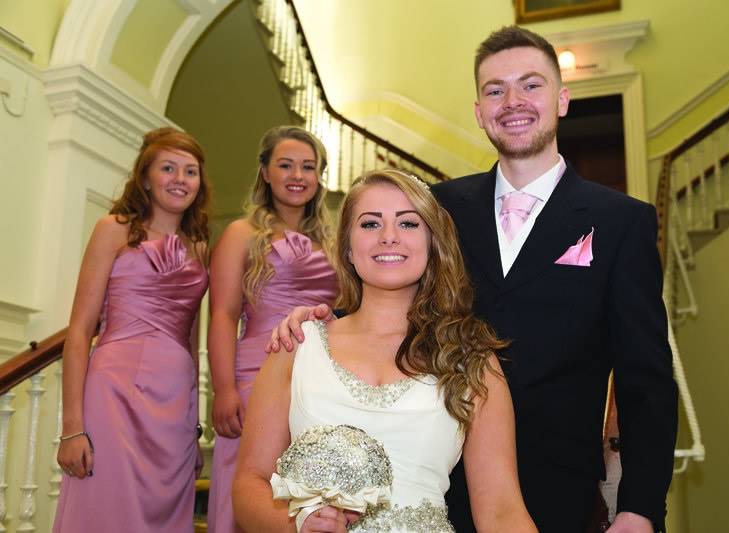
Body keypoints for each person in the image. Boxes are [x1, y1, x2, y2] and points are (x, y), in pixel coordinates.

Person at [270, 27, 678, 533]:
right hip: (433, 481)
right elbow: (384, 288)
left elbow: (646, 381)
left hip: (558, 489)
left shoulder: (621, 221)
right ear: (479, 110)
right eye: (494, 90)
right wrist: (318, 320)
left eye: (531, 85)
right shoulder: (435, 207)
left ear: (562, 99)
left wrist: (638, 508)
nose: (513, 102)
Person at [233, 170, 537, 533]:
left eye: (408, 224)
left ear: (432, 243)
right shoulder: (297, 345)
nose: (389, 237)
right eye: (370, 223)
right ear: (347, 245)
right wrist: (297, 525)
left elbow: (502, 511)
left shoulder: (470, 358)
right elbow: (248, 484)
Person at [53, 127, 211, 532]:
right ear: (145, 177)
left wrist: (194, 427)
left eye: (190, 171)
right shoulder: (114, 228)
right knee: (108, 507)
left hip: (175, 401)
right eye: (168, 168)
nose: (180, 179)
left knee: (165, 514)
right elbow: (78, 332)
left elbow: (191, 344)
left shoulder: (199, 247)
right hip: (116, 392)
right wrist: (72, 428)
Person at [206, 126, 338, 533]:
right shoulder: (241, 234)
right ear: (265, 172)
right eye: (285, 165)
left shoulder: (334, 242)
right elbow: (224, 315)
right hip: (255, 372)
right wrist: (223, 388)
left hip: (319, 375)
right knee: (248, 480)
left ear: (319, 177)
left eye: (308, 167)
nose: (297, 175)